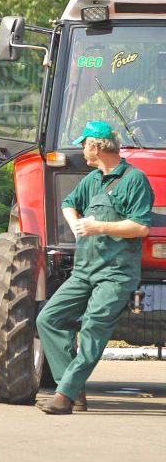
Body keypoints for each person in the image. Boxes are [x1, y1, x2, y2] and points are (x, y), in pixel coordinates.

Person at [36, 120, 153, 414]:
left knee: (92, 328)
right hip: (84, 271)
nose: (80, 150)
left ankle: (64, 396)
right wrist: (75, 224)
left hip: (115, 273)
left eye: (83, 144)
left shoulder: (134, 180)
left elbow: (140, 227)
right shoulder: (92, 179)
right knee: (48, 318)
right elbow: (68, 202)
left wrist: (99, 226)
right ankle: (72, 388)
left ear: (96, 146)